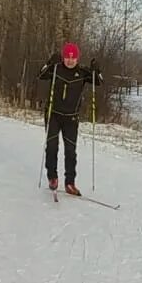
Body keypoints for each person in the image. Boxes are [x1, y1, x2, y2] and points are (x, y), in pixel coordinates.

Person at [39, 42, 102, 196]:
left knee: (71, 151)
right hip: (53, 114)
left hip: (71, 118)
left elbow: (98, 81)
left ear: (77, 59)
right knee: (52, 146)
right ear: (63, 57)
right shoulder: (56, 69)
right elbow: (41, 75)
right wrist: (49, 62)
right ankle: (52, 177)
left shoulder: (82, 72)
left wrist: (96, 70)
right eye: (67, 57)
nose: (70, 60)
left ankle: (70, 183)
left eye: (73, 58)